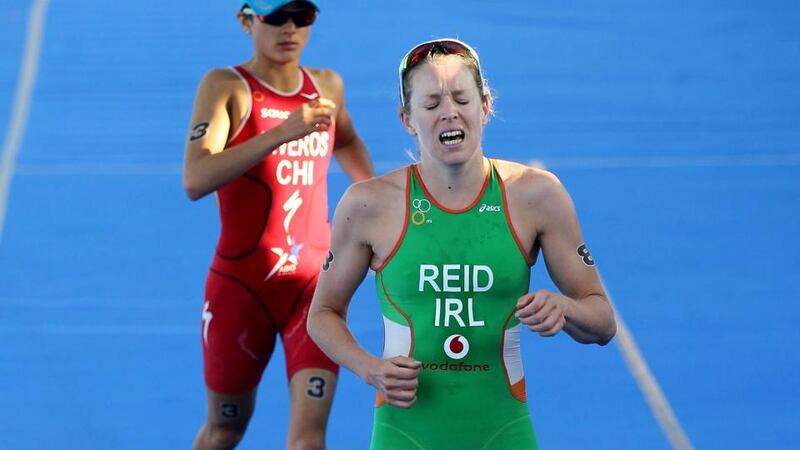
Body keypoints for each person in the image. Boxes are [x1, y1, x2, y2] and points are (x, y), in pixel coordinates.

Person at [307, 38, 616, 449]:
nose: (449, 112)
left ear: (485, 106)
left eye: (461, 99)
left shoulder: (535, 196)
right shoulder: (368, 205)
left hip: (503, 431)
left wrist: (565, 307)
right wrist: (370, 369)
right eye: (431, 104)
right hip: (404, 433)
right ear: (407, 118)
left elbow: (602, 322)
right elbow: (322, 314)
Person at [182, 1, 374, 448]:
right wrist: (280, 134)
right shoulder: (228, 87)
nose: (290, 29)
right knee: (225, 430)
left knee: (309, 440)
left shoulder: (326, 87)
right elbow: (195, 179)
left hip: (314, 290)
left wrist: (380, 204)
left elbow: (344, 138)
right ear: (246, 20)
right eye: (276, 17)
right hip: (241, 289)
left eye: (302, 17)